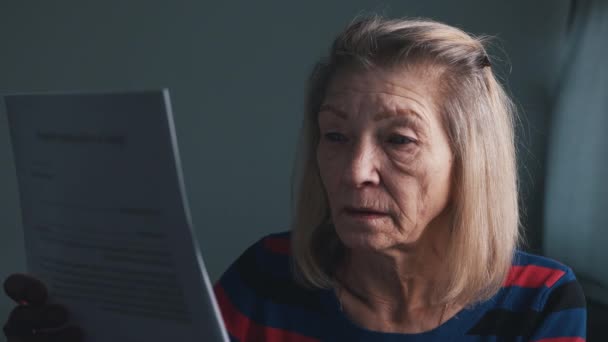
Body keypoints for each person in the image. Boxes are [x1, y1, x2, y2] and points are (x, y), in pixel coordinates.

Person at [3, 16, 586, 341]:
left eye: (399, 140)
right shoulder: (264, 278)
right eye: (335, 137)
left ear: (470, 162)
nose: (355, 171)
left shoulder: (540, 300)